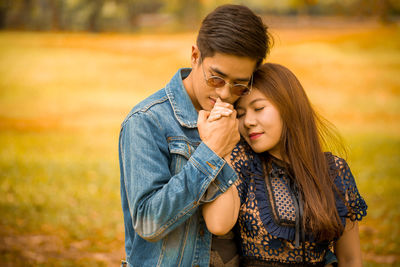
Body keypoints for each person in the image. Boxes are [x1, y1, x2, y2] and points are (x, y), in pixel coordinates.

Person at [118, 4, 272, 267]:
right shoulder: (147, 121)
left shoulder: (243, 118)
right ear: (194, 56)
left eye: (239, 84)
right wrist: (211, 153)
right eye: (216, 78)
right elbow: (148, 222)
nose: (225, 94)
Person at [202, 63, 368, 266]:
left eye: (259, 108)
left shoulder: (334, 170)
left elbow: (350, 259)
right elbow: (218, 224)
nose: (248, 122)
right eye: (241, 113)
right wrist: (222, 148)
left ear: (288, 106)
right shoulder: (242, 163)